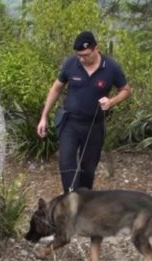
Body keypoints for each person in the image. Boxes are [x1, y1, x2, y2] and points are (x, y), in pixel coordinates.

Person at [36, 31, 132, 193]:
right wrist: (43, 117)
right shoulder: (71, 64)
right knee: (67, 165)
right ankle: (71, 200)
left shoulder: (111, 67)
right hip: (70, 123)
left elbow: (126, 90)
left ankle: (84, 203)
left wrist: (111, 101)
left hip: (94, 126)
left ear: (96, 49)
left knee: (88, 169)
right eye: (79, 55)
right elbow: (56, 89)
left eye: (85, 55)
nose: (81, 59)